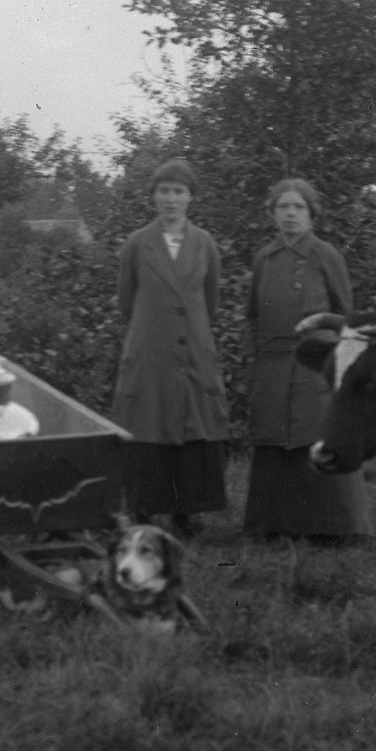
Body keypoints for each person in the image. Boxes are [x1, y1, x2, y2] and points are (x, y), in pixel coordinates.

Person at [242, 178, 371, 542]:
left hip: (315, 365)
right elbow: (252, 316)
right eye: (283, 207)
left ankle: (333, 527)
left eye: (298, 207)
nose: (291, 215)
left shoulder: (326, 255)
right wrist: (251, 361)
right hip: (271, 367)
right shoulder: (264, 259)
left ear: (311, 214)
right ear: (272, 214)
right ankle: (272, 525)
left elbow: (346, 314)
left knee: (316, 437)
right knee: (273, 440)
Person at [112, 159, 230, 536]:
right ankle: (143, 509)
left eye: (179, 192)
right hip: (150, 351)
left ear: (190, 198)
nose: (171, 199)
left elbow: (209, 301)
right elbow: (126, 301)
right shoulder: (137, 244)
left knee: (193, 423)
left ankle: (186, 512)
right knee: (148, 422)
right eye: (164, 191)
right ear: (153, 197)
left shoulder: (205, 244)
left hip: (194, 350)